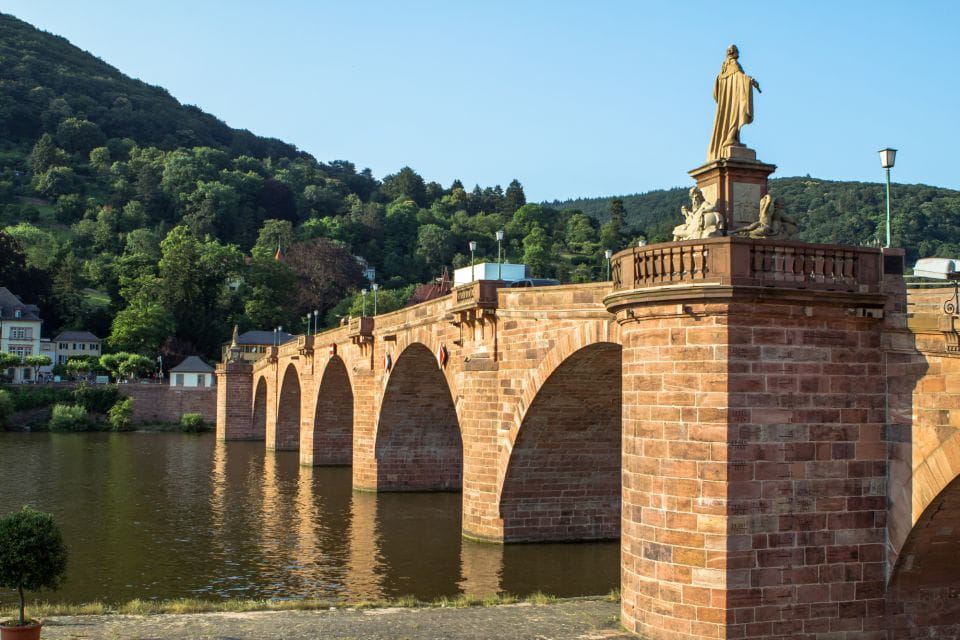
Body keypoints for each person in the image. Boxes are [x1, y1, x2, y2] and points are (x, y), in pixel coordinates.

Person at [707, 45, 761, 161]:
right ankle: (730, 138)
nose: (739, 53)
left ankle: (733, 138)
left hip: (728, 102)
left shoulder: (724, 69)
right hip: (735, 99)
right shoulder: (734, 65)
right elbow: (741, 77)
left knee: (733, 117)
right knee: (736, 116)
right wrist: (750, 80)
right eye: (737, 51)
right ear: (733, 53)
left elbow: (716, 91)